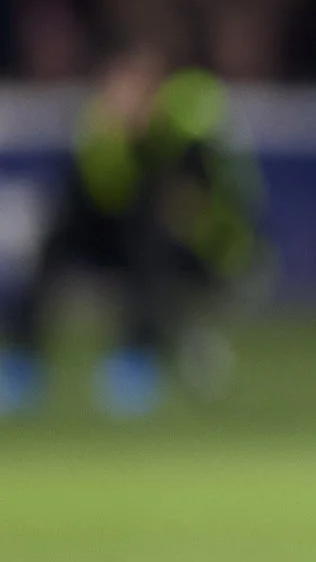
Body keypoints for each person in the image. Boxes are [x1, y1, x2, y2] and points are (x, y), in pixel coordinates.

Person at [1, 51, 265, 417]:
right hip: (122, 241)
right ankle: (22, 364)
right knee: (54, 245)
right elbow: (89, 203)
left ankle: (137, 361)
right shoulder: (100, 133)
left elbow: (190, 207)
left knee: (151, 248)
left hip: (201, 253)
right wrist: (115, 142)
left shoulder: (185, 131)